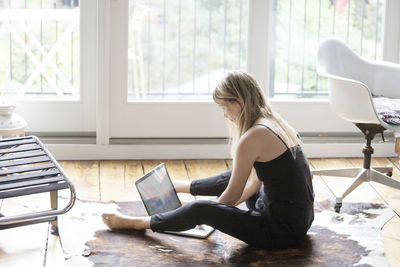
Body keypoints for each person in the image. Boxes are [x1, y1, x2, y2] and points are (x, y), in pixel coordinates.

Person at [102, 71, 314, 248]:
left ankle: (136, 223)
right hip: (298, 220)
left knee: (201, 209)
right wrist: (217, 212)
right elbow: (254, 180)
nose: (224, 114)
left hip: (279, 231)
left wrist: (210, 215)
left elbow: (231, 197)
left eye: (224, 107)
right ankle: (177, 187)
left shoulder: (252, 137)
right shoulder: (271, 122)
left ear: (238, 102)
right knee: (236, 176)